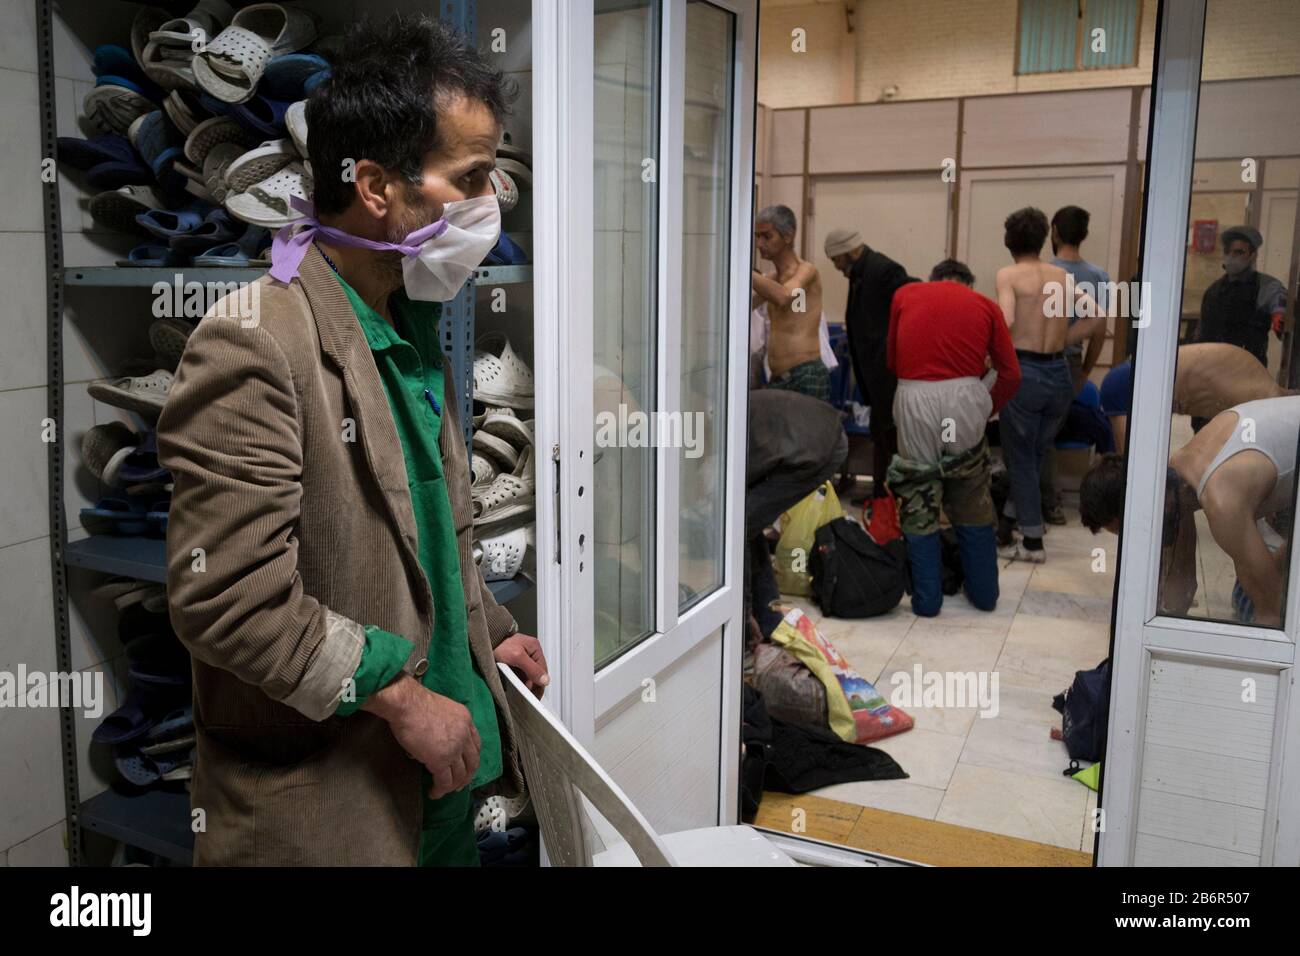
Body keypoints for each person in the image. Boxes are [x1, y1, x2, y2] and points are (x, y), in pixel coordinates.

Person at [157, 16, 549, 866]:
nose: (490, 201)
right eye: (470, 177)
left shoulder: (409, 321)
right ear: (374, 185)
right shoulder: (256, 341)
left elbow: (430, 534)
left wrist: (486, 632)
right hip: (340, 805)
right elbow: (229, 598)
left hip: (443, 786)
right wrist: (403, 699)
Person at [1081, 396, 1300, 627]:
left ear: (1139, 511)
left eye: (1133, 531)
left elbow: (1273, 616)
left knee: (1261, 601)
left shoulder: (1222, 501)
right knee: (1255, 587)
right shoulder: (1178, 476)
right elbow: (1182, 585)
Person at [885, 259, 1021, 616]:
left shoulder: (905, 294)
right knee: (971, 496)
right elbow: (1011, 373)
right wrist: (984, 408)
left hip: (914, 398)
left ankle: (927, 601)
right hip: (964, 400)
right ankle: (984, 594)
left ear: (932, 279)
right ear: (968, 283)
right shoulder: (986, 306)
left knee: (919, 496)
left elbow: (891, 360)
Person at [994, 207, 1104, 562]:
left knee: (1021, 458)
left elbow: (1006, 319)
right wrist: (1063, 338)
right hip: (1059, 372)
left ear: (1009, 241)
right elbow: (1097, 315)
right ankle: (1007, 523)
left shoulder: (1008, 275)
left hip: (1025, 372)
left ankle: (1032, 542)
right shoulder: (1060, 275)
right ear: (1044, 239)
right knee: (1035, 454)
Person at [745, 390, 848, 640]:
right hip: (825, 431)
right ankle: (768, 619)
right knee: (748, 524)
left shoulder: (725, 435)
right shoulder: (730, 410)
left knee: (740, 526)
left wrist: (743, 607)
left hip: (816, 451)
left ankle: (750, 621)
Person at [825, 227, 917, 500]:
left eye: (837, 259)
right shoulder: (860, 273)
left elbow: (912, 298)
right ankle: (880, 498)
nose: (836, 266)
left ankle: (892, 500)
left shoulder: (883, 270)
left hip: (887, 374)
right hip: (875, 375)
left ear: (851, 251)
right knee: (881, 436)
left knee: (890, 438)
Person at [1041, 205, 1110, 523]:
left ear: (1054, 232)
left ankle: (1046, 503)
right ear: (1084, 235)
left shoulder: (1042, 272)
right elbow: (1099, 331)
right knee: (1049, 432)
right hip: (1071, 362)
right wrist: (1084, 371)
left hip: (1039, 358)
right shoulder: (1098, 276)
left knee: (1039, 436)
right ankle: (1047, 502)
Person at [1101, 343, 1297, 453]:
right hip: (1137, 378)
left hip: (1146, 374)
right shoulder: (1263, 397)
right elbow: (1125, 457)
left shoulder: (1260, 393)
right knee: (1128, 459)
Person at [751, 205, 829, 400]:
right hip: (778, 377)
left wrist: (744, 269)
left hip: (806, 374)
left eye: (767, 236)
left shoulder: (806, 271)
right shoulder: (773, 278)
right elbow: (743, 308)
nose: (760, 244)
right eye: (757, 236)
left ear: (788, 236)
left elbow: (783, 296)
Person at [1195, 225, 1287, 372]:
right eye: (1228, 252)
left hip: (1250, 370)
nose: (1232, 257)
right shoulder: (1214, 291)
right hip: (1214, 370)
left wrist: (1279, 317)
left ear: (1252, 256)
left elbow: (1280, 306)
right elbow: (1202, 335)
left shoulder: (1265, 286)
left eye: (1239, 252)